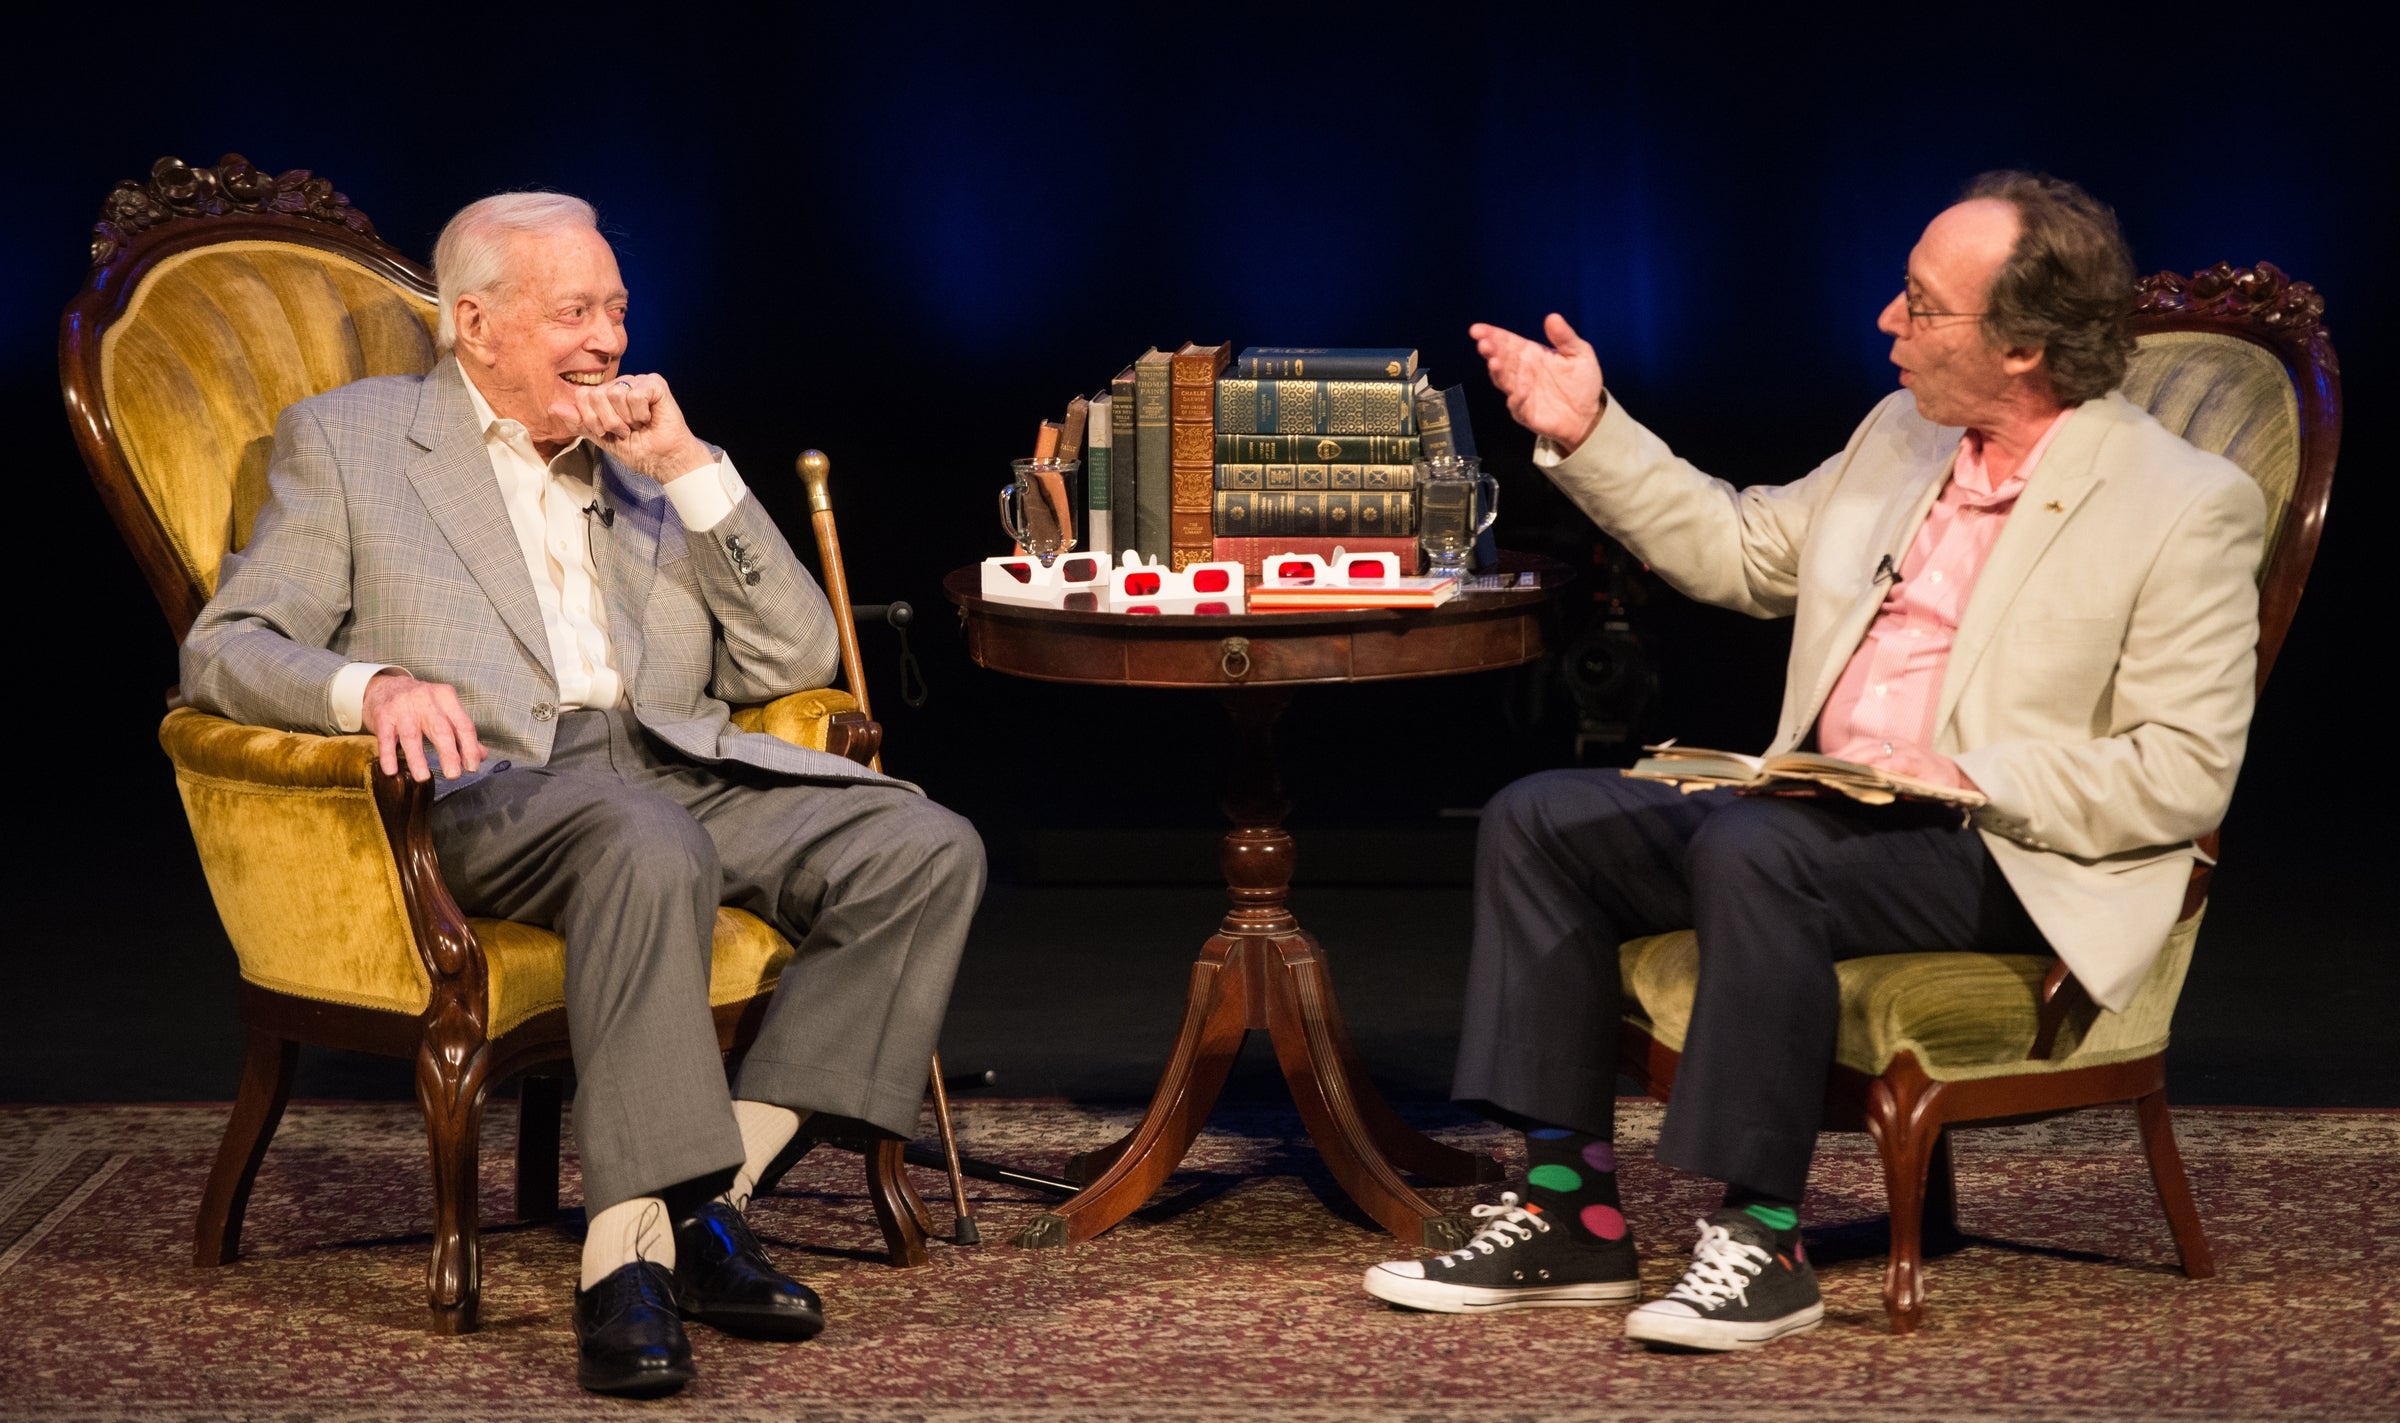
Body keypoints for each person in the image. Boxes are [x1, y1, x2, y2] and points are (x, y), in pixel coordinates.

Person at [1361, 173, 2264, 1351]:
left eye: (1921, 306)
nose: (1888, 323)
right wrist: (1589, 431)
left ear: (2027, 345)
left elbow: (2182, 771)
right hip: (1819, 815)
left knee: (1758, 844)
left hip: (1999, 844)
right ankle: (1569, 1213)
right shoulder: (1904, 434)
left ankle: (1763, 1242)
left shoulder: (2185, 504)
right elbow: (1744, 549)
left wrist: (1961, 772)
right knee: (1542, 818)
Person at [181, 192, 985, 1396]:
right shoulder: (351, 442)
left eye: (616, 307)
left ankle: (708, 1205)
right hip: (497, 785)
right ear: (474, 325)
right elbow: (227, 645)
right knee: (640, 837)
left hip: (669, 762)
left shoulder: (646, 458)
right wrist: (373, 685)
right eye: (573, 312)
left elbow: (793, 663)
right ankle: (624, 1260)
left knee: (924, 844)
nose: (608, 339)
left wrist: (692, 471)